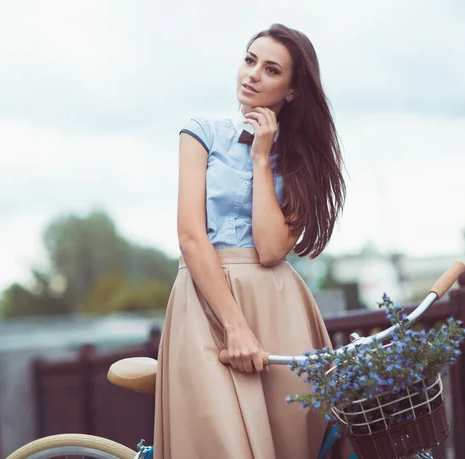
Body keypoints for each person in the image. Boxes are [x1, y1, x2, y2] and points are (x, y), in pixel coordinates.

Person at [154, 23, 349, 459]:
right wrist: (235, 327)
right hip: (205, 305)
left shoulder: (301, 160)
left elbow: (271, 249)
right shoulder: (200, 132)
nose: (253, 74)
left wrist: (263, 157)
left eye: (271, 68)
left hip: (279, 309)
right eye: (249, 60)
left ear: (293, 90)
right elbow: (190, 237)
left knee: (291, 442)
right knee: (220, 442)